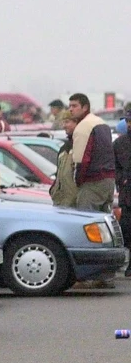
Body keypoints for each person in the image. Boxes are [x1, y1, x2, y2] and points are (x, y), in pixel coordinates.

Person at [69, 93, 115, 212]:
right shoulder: (102, 123)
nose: (71, 109)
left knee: (86, 221)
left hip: (92, 182)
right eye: (70, 106)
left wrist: (78, 182)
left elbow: (82, 160)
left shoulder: (83, 126)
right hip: (109, 181)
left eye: (74, 106)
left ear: (85, 107)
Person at [112, 116, 131, 276]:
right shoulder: (119, 143)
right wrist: (121, 179)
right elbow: (114, 166)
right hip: (127, 195)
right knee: (127, 228)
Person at [49, 112, 78, 207]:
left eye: (67, 122)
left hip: (75, 203)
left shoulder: (82, 146)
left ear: (77, 123)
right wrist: (53, 189)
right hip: (62, 202)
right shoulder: (64, 148)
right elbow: (59, 175)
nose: (63, 126)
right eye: (63, 122)